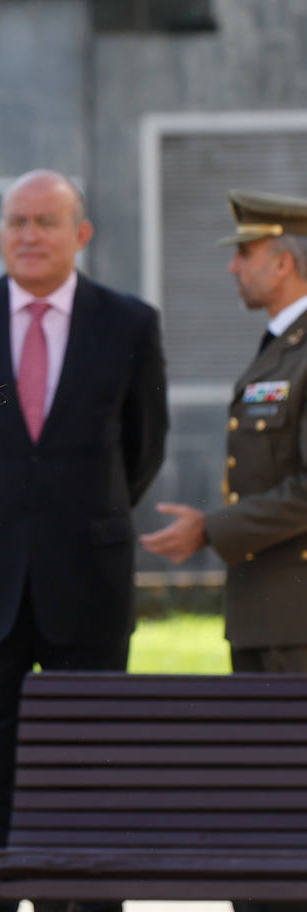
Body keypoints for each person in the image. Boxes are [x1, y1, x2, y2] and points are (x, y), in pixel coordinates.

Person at [0, 170, 169, 912]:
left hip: (88, 588)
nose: (29, 236)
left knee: (93, 780)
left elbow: (143, 447)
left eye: (45, 221)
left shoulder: (128, 323)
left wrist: (76, 521)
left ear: (81, 233)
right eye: (16, 223)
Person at [142, 193, 307, 682]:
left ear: (283, 262)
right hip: (266, 615)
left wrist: (212, 529)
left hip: (295, 621)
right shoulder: (282, 345)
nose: (234, 267)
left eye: (245, 254)